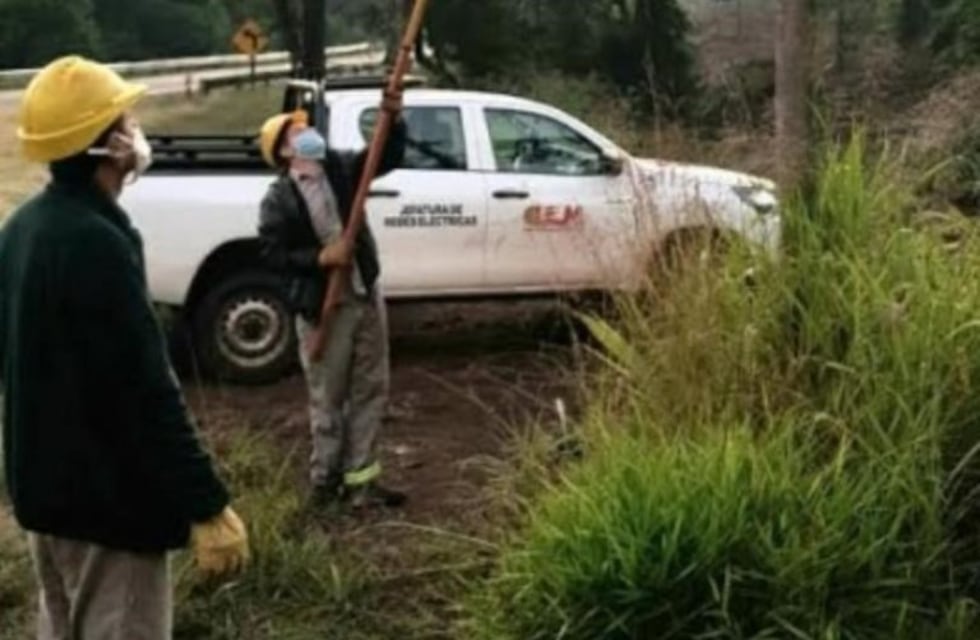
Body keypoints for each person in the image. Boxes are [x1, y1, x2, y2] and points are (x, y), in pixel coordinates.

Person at [0, 55, 248, 640]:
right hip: (110, 505)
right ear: (107, 146)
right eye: (126, 120)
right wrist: (206, 503)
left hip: (47, 494)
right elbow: (146, 386)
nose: (136, 130)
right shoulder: (97, 242)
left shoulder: (23, 228)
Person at [257, 88, 408, 512]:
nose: (305, 133)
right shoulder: (279, 200)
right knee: (328, 398)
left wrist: (393, 118)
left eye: (306, 127)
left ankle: (362, 482)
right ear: (284, 151)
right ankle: (325, 483)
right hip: (325, 307)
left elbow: (384, 156)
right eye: (295, 132)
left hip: (364, 293)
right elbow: (272, 254)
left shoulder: (340, 169)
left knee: (371, 389)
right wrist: (322, 257)